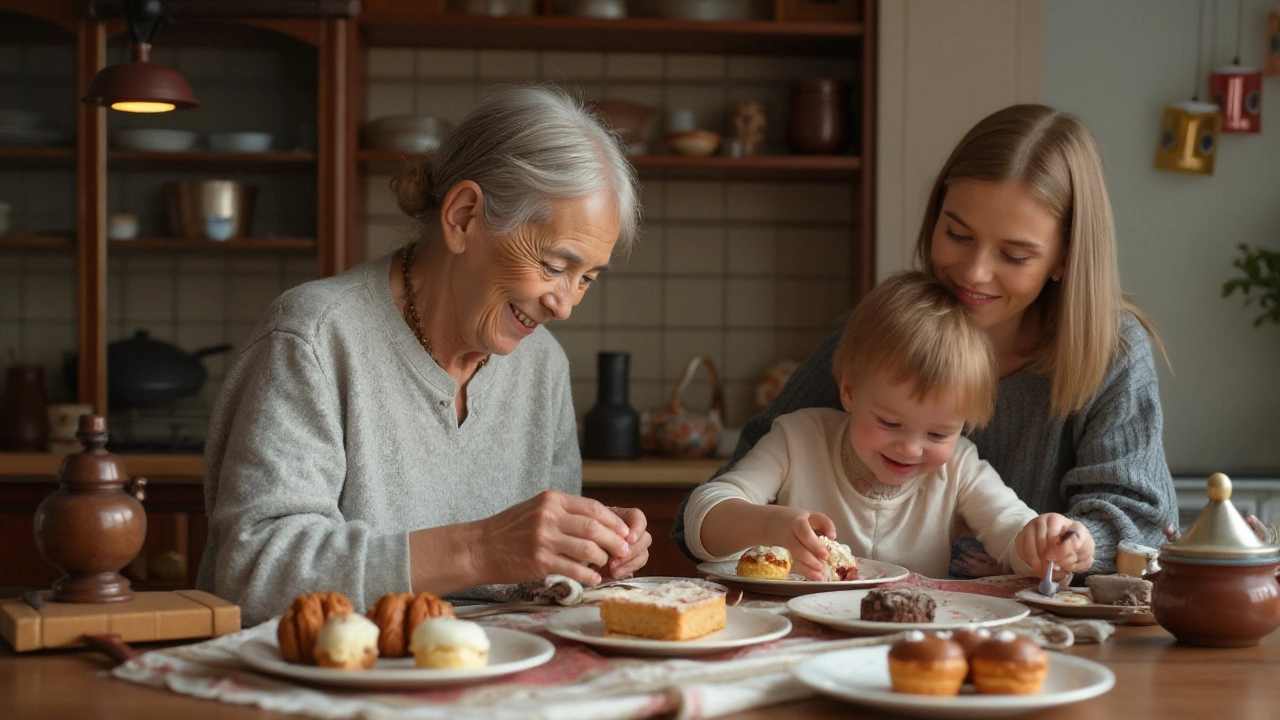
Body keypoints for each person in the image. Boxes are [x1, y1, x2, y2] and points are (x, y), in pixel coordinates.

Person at [198, 85, 652, 625]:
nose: (565, 305)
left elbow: (533, 583)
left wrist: (584, 551)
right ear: (462, 217)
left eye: (587, 280)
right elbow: (253, 572)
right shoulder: (315, 338)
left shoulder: (543, 365)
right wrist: (478, 548)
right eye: (555, 266)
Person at [674, 104, 1179, 577]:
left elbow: (1141, 523)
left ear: (1064, 259)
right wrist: (768, 526)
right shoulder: (875, 341)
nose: (974, 273)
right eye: (957, 234)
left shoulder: (1111, 353)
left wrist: (1072, 542)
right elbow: (719, 508)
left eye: (1015, 256)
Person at [684, 272, 1094, 580]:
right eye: (890, 422)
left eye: (938, 434)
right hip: (796, 640)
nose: (911, 448)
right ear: (848, 390)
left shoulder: (960, 469)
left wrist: (1044, 545)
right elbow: (701, 517)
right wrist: (769, 524)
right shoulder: (797, 439)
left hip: (909, 647)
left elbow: (1010, 530)